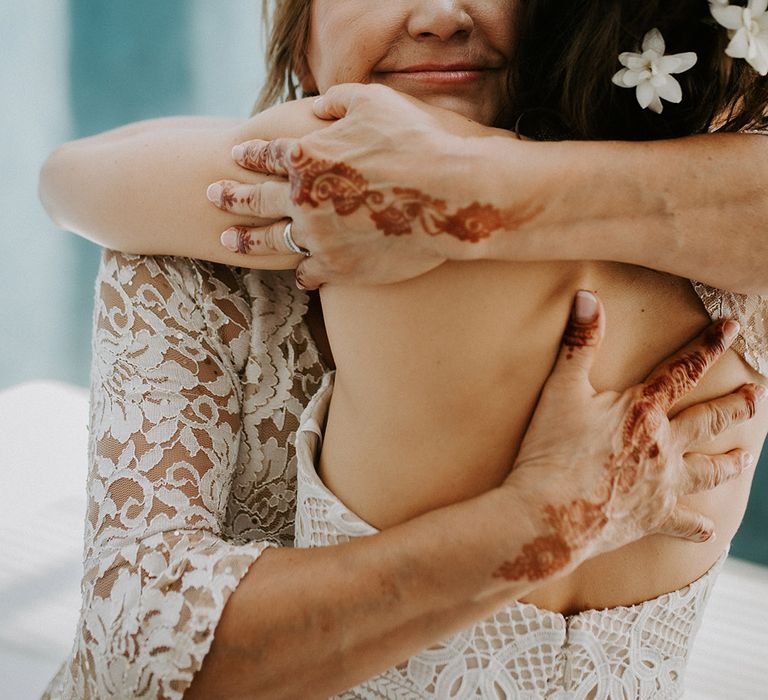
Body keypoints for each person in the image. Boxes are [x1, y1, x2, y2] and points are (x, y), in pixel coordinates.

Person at [38, 1, 768, 698]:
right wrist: (538, 526)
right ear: (302, 39)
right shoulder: (183, 254)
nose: (439, 14)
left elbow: (74, 176)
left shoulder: (726, 242)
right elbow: (128, 656)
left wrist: (465, 188)